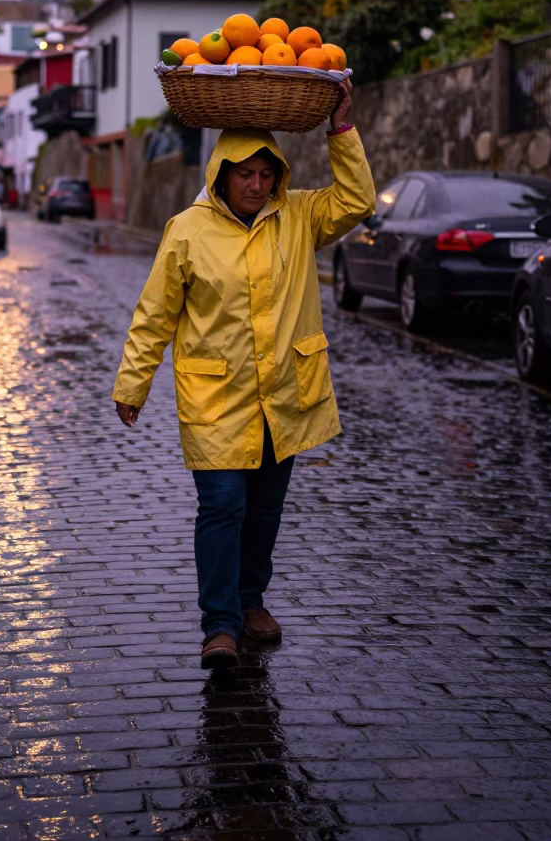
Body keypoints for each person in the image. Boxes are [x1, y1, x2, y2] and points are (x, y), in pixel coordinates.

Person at [113, 80, 376, 669]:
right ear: (221, 175)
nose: (256, 185)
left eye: (265, 174)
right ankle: (220, 624)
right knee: (223, 506)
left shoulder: (300, 216)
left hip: (284, 393)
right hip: (216, 398)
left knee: (263, 510)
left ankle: (251, 599)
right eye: (244, 175)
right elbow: (155, 315)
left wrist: (341, 130)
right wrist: (134, 383)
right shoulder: (187, 230)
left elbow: (358, 201)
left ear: (278, 175)